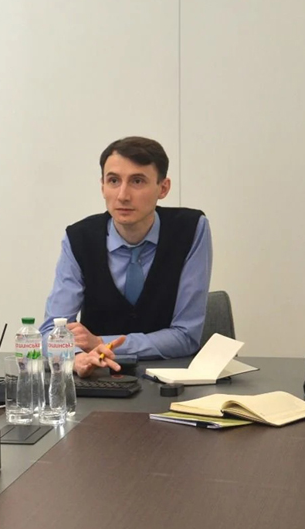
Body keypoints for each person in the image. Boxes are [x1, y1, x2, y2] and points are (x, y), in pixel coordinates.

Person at [42, 136, 213, 377]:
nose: (123, 195)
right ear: (102, 186)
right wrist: (77, 358)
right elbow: (50, 332)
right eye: (113, 181)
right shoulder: (79, 238)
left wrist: (101, 342)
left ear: (163, 188)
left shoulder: (191, 229)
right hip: (100, 381)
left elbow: (186, 336)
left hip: (171, 381)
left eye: (137, 181)